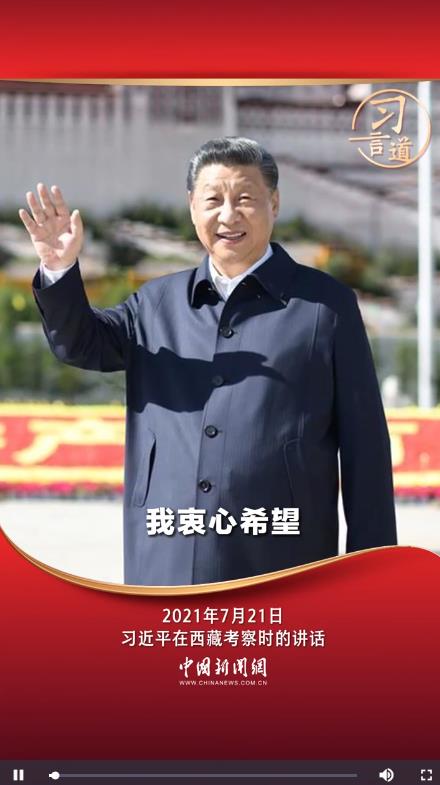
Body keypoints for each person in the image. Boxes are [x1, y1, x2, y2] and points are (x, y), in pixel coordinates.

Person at [20, 136, 397, 586]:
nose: (228, 215)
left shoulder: (325, 307)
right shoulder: (156, 303)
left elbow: (365, 449)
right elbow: (80, 344)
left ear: (275, 203)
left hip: (282, 557)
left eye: (245, 199)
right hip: (168, 555)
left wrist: (373, 577)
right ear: (191, 207)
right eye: (213, 200)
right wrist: (59, 268)